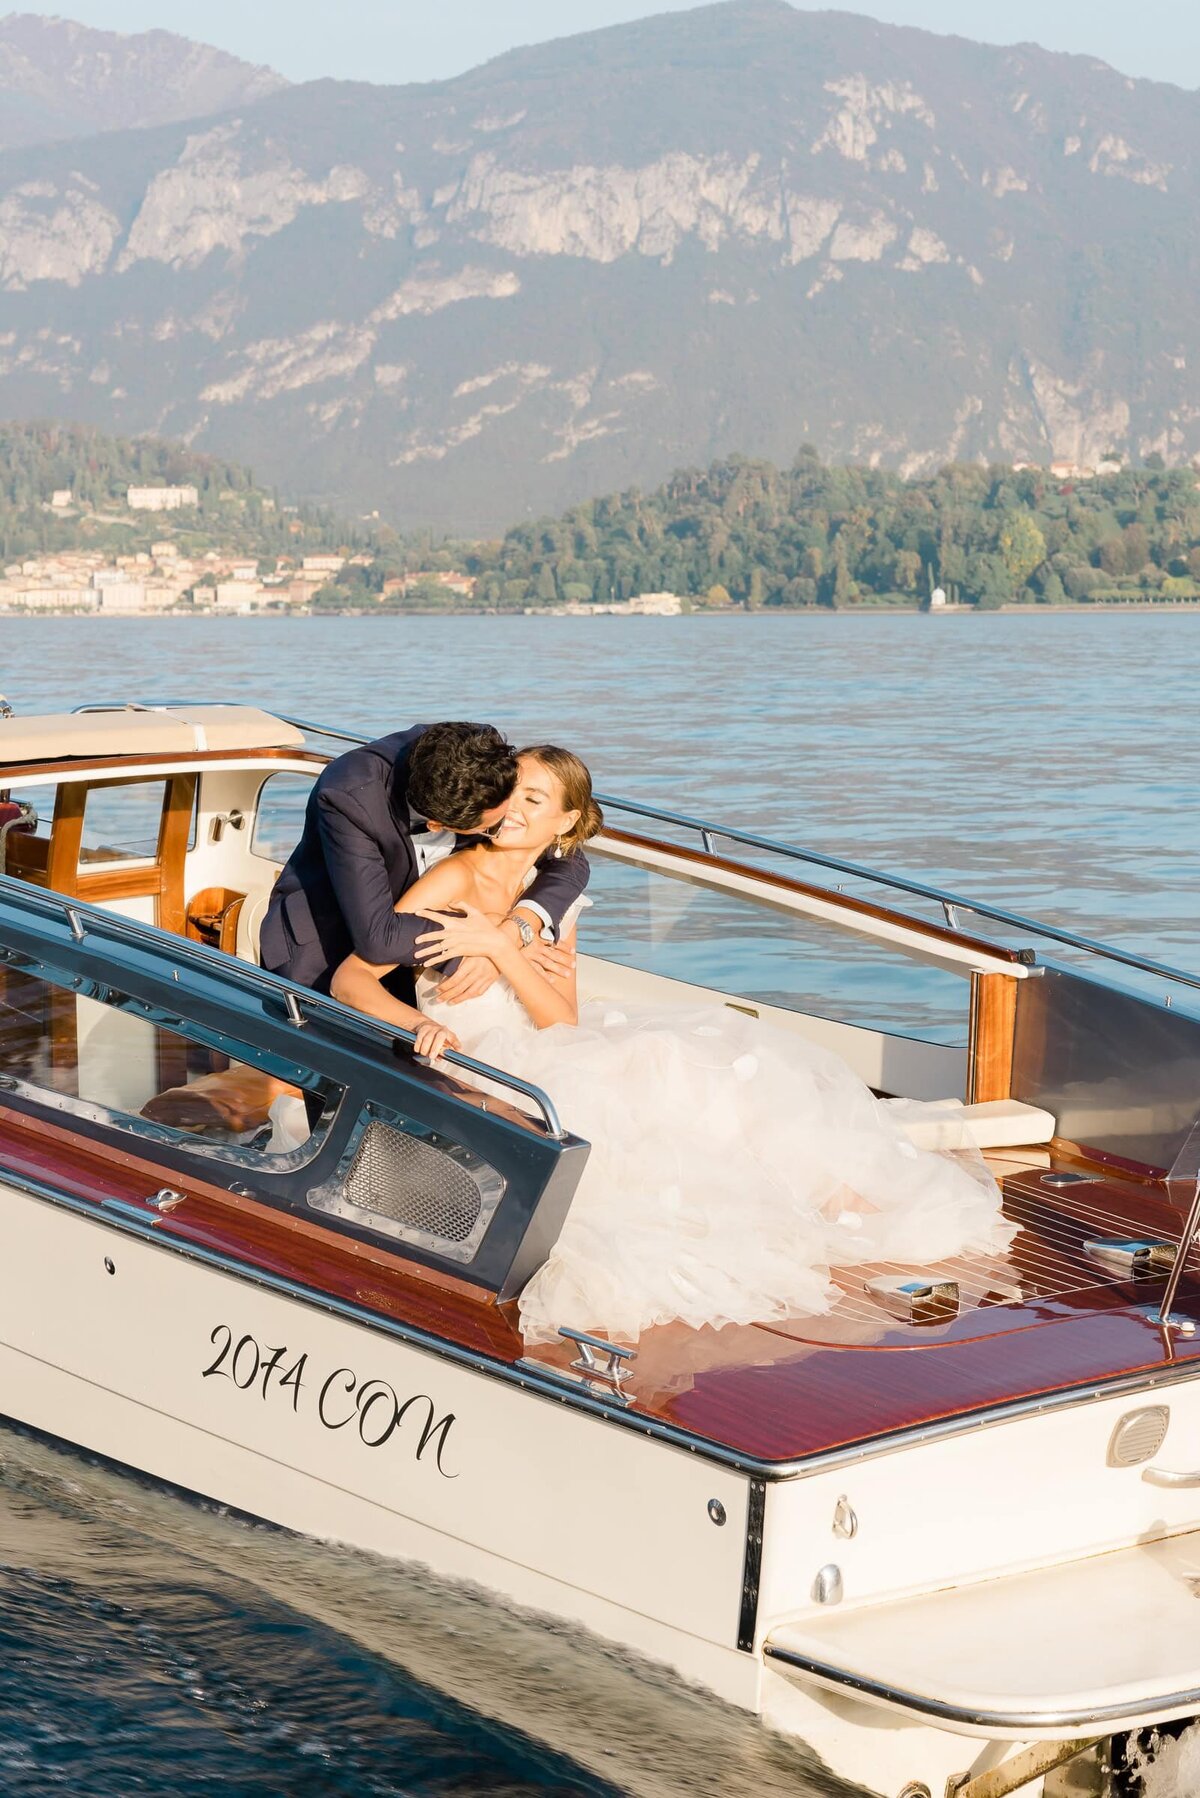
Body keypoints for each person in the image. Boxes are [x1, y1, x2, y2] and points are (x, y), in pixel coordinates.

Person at [332, 746, 1016, 1345]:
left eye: (534, 800)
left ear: (565, 823)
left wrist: (504, 947)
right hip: (477, 1054)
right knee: (635, 1084)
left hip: (547, 1045)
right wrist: (415, 1023)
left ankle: (812, 1207)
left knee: (702, 1060)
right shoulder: (454, 879)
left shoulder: (550, 901)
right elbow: (351, 979)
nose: (512, 809)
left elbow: (561, 1022)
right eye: (509, 792)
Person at [260, 721, 589, 1009]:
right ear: (438, 825)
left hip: (413, 967)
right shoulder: (349, 796)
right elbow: (379, 940)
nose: (510, 817)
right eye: (492, 828)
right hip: (324, 952)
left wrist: (515, 930)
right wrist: (491, 943)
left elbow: (570, 859)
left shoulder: (482, 759)